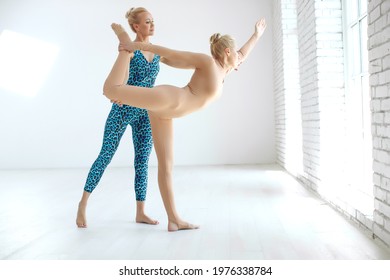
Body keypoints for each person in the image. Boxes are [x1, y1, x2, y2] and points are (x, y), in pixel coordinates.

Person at [103, 18, 267, 231]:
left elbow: (243, 54)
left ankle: (174, 220)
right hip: (170, 99)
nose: (240, 58)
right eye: (236, 53)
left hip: (165, 115)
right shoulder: (208, 63)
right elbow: (170, 53)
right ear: (227, 52)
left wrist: (256, 35)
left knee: (167, 166)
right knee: (111, 90)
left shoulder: (224, 70)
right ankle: (124, 44)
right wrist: (135, 45)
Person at [76, 7, 161, 228]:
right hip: (123, 110)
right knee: (105, 156)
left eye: (153, 21)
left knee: (142, 162)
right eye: (148, 22)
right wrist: (118, 94)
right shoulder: (129, 50)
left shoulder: (157, 51)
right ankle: (83, 204)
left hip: (145, 112)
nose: (152, 25)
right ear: (136, 26)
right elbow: (120, 80)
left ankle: (140, 212)